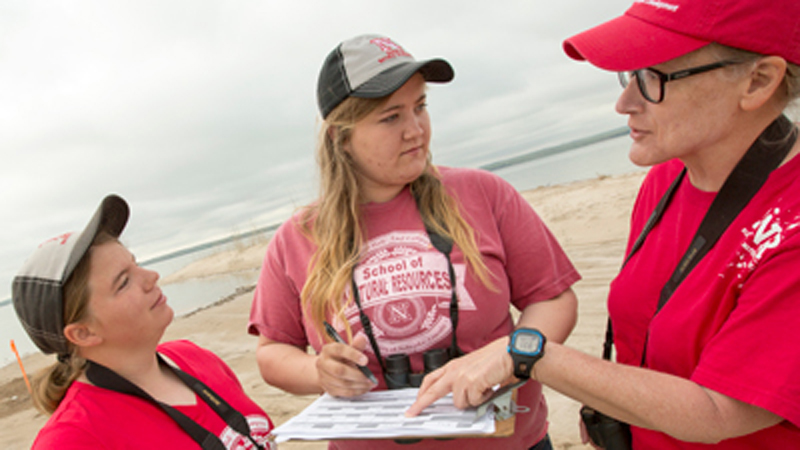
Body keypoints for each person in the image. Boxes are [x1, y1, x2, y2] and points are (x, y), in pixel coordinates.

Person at [407, 0, 800, 448]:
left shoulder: (790, 230)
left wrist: (528, 354)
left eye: (653, 78)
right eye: (628, 75)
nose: (624, 102)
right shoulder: (667, 180)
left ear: (759, 81)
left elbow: (720, 411)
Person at [247, 34, 580, 450]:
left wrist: (509, 357)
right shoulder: (296, 238)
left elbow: (553, 299)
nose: (415, 130)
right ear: (340, 138)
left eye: (420, 107)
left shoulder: (484, 193)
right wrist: (318, 372)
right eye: (391, 117)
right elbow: (273, 351)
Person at [12, 194, 275, 449]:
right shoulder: (74, 438)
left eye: (137, 264)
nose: (152, 276)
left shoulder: (194, 357)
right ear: (83, 333)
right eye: (124, 282)